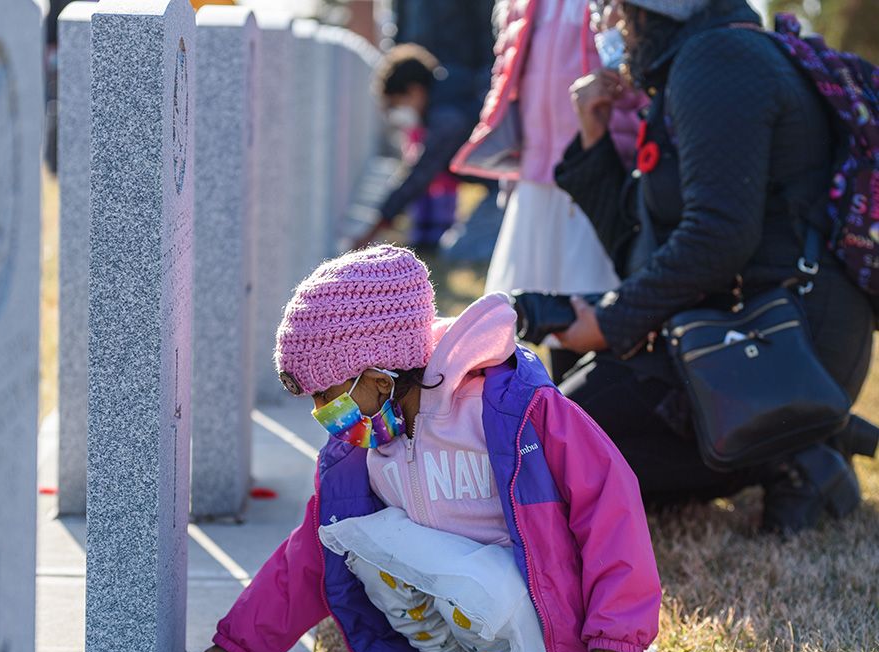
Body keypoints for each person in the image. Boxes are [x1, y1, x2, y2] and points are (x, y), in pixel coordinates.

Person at [192, 246, 671, 652]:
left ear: (378, 379)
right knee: (356, 539)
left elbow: (609, 499)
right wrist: (237, 643)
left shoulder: (512, 410)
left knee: (472, 578)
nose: (320, 412)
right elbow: (308, 553)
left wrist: (617, 623)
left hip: (531, 601)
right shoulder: (364, 449)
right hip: (460, 603)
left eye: (326, 394)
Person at [550, 0, 876, 531]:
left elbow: (719, 235)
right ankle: (810, 435)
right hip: (748, 327)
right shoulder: (699, 60)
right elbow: (642, 247)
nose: (604, 24)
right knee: (560, 384)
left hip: (783, 340)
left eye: (612, 9)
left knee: (556, 445)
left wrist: (609, 323)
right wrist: (594, 135)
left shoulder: (718, 59)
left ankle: (793, 450)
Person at [452, 0, 645, 379]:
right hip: (538, 174)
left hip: (602, 166)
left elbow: (640, 65)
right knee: (552, 311)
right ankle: (569, 413)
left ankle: (603, 413)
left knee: (600, 301)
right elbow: (510, 70)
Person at [352, 46, 501, 255]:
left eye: (396, 104)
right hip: (503, 186)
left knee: (461, 252)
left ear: (415, 91)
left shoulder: (447, 118)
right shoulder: (454, 94)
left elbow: (419, 175)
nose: (397, 115)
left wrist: (374, 229)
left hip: (506, 189)